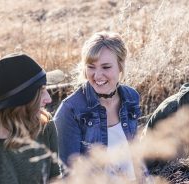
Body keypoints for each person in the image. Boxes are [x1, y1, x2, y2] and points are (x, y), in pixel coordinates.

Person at [54, 31, 141, 181]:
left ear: (120, 66)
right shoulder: (70, 110)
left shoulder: (131, 97)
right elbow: (69, 175)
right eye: (91, 67)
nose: (97, 75)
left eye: (106, 67)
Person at [0, 53, 61, 183]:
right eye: (42, 91)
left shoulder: (45, 124)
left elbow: (55, 178)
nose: (49, 99)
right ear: (22, 101)